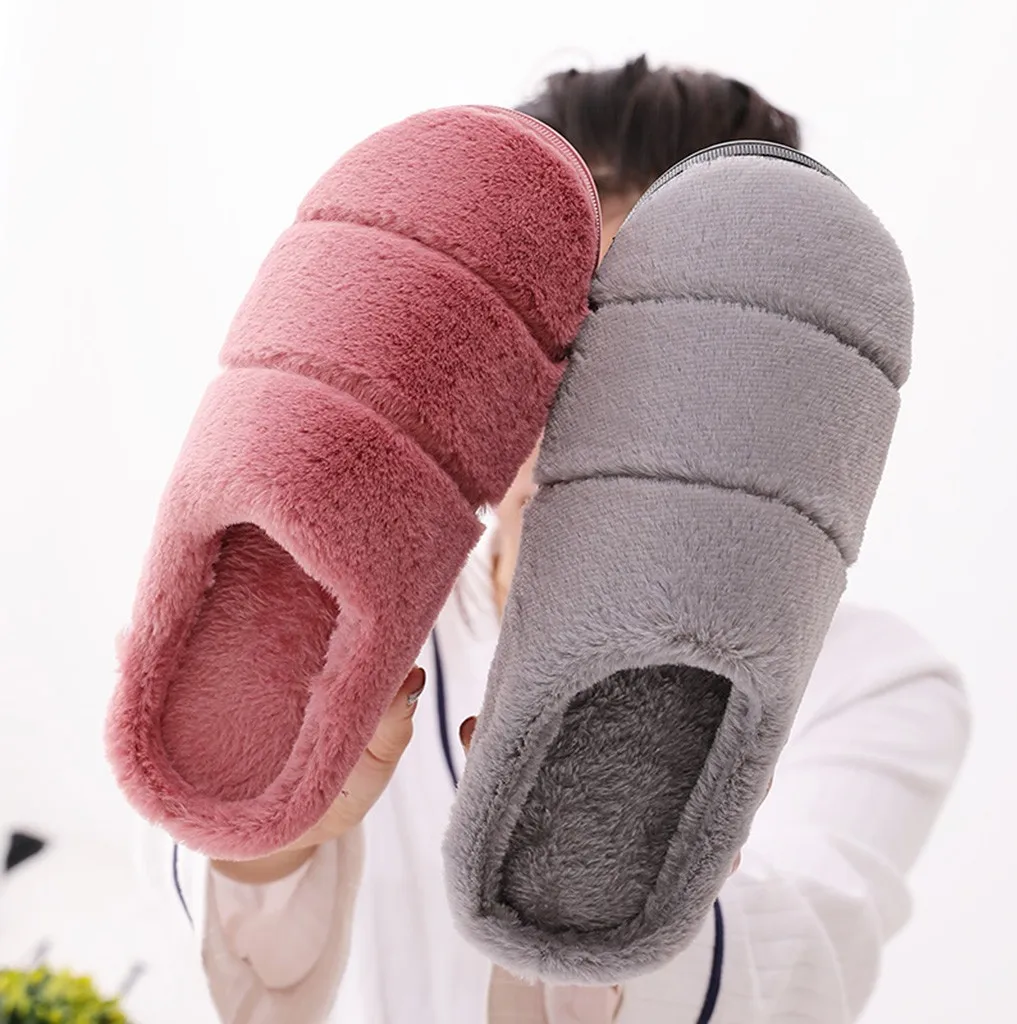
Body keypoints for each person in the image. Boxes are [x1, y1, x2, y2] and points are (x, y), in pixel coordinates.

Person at [145, 57, 970, 1024]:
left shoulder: (881, 679)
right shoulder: (334, 618)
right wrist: (271, 844)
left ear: (773, 408)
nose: (591, 428)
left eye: (665, 374)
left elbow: (804, 967)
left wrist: (626, 857)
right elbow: (199, 970)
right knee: (229, 811)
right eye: (568, 355)